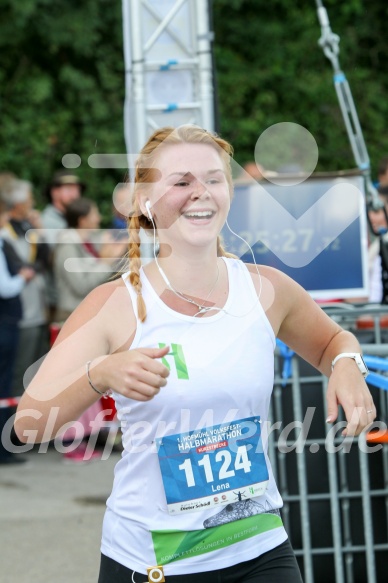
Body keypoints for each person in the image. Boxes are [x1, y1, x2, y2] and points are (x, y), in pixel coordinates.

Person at [15, 125, 376, 582]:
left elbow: (333, 342)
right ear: (145, 200)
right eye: (181, 181)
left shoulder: (266, 288)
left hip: (261, 549)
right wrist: (99, 373)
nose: (200, 193)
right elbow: (28, 423)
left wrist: (346, 365)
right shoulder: (114, 305)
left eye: (213, 179)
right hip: (153, 562)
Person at [0, 178, 50, 395]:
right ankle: (15, 425)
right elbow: (22, 265)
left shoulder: (29, 226)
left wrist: (39, 230)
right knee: (19, 372)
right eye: (29, 199)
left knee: (38, 370)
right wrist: (32, 267)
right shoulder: (6, 231)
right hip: (20, 312)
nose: (32, 202)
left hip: (38, 307)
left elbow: (45, 258)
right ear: (17, 203)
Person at [0, 196, 35, 464]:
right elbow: (6, 287)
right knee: (4, 384)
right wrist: (23, 277)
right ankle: (3, 448)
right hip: (5, 322)